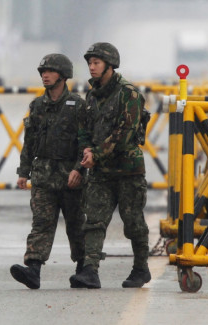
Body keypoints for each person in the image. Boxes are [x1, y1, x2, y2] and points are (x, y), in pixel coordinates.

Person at [69, 42, 151, 289]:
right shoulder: (92, 96)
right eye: (90, 64)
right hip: (102, 172)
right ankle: (90, 271)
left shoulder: (130, 94)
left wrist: (97, 153)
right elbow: (84, 128)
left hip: (128, 170)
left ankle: (141, 268)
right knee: (94, 221)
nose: (91, 68)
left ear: (110, 66)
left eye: (96, 63)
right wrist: (86, 149)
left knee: (133, 222)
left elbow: (125, 134)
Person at [10, 53, 88, 289]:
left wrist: (79, 170)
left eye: (50, 71)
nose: (45, 75)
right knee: (41, 223)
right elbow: (29, 141)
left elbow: (85, 143)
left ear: (63, 76)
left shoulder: (77, 106)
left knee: (76, 225)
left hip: (70, 177)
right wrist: (23, 172)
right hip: (43, 175)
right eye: (43, 72)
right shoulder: (37, 106)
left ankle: (84, 269)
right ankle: (33, 269)